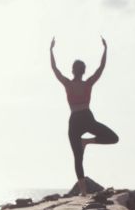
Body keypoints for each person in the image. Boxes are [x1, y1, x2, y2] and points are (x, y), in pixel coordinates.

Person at [50, 36, 119, 196]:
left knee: (77, 157)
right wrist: (105, 49)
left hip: (75, 120)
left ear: (73, 70)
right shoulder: (88, 84)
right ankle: (87, 141)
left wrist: (51, 50)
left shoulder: (68, 84)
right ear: (83, 71)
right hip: (87, 118)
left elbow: (55, 69)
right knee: (113, 138)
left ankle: (83, 192)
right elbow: (101, 68)